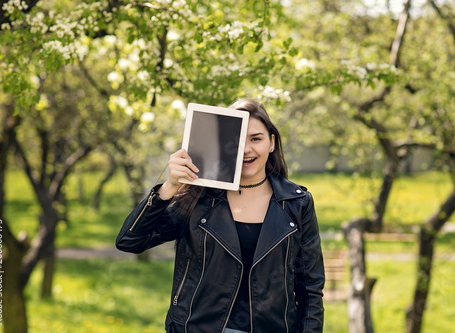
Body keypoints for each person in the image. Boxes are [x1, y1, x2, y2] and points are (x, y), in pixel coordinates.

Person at [116, 98, 325, 333]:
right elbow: (130, 241)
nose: (246, 149)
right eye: (236, 141)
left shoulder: (297, 203)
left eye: (256, 138)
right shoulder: (198, 198)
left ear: (272, 143)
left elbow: (310, 289)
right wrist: (170, 186)